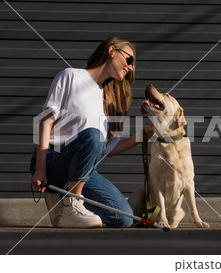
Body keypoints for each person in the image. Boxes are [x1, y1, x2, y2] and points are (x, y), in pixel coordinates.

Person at [30, 36, 153, 228]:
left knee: (124, 218)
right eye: (129, 60)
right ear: (112, 51)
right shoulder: (71, 76)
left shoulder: (108, 100)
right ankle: (72, 205)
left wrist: (146, 134)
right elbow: (46, 121)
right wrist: (40, 168)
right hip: (54, 160)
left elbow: (108, 148)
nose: (130, 67)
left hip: (81, 171)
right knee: (94, 135)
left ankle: (64, 203)